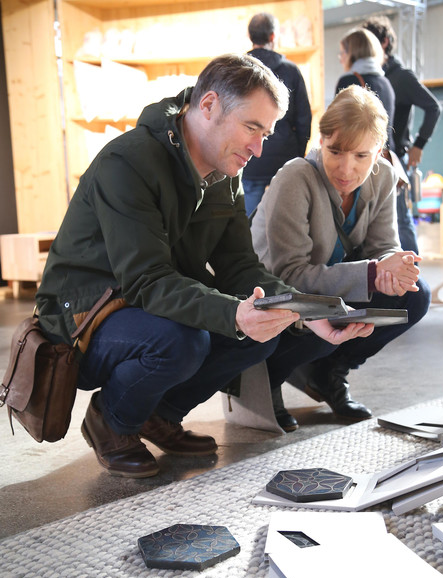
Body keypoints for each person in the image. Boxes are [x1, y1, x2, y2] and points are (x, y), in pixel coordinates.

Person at [35, 54, 372, 477]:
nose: (259, 149)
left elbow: (239, 266)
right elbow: (146, 281)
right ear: (209, 105)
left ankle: (159, 415)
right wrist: (234, 314)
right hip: (83, 317)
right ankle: (111, 420)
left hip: (144, 306)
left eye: (265, 134)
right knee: (185, 341)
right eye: (252, 128)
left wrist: (306, 311)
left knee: (260, 334)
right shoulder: (127, 163)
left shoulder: (224, 173)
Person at [252, 84, 431, 423]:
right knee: (329, 309)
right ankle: (269, 374)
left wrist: (393, 269)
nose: (346, 169)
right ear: (321, 141)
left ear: (378, 152)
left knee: (415, 295)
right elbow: (289, 275)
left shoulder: (384, 177)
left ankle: (329, 372)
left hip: (326, 288)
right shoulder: (295, 177)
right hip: (274, 296)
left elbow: (384, 246)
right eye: (335, 151)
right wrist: (373, 273)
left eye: (361, 156)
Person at [363, 16, 442, 254]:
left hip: (394, 158)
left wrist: (419, 144)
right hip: (368, 159)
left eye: (370, 42)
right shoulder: (369, 76)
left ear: (384, 42)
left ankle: (413, 273)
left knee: (400, 219)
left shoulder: (402, 77)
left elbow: (433, 107)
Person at [242, 12, 312, 216]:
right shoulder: (291, 70)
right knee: (287, 218)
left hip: (249, 157)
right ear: (273, 36)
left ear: (250, 36)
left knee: (251, 222)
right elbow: (304, 118)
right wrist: (298, 154)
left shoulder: (239, 69)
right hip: (285, 157)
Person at [335, 27, 395, 151]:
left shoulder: (348, 81)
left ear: (352, 54)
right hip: (384, 153)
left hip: (360, 154)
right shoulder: (385, 82)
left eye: (342, 53)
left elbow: (339, 125)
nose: (340, 59)